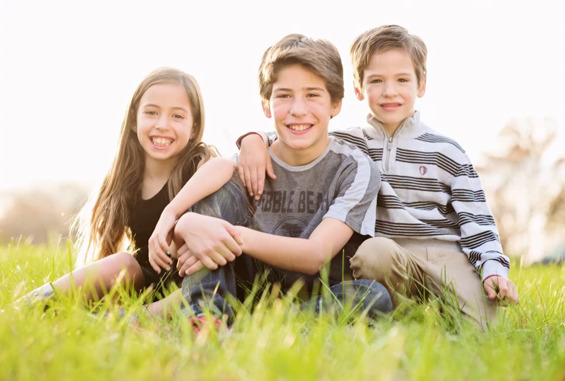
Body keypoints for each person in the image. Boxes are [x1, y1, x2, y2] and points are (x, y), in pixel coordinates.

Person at [236, 25, 519, 330]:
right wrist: (254, 139)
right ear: (358, 88)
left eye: (402, 80)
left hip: (445, 254)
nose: (389, 91)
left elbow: (477, 219)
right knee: (372, 253)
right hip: (388, 255)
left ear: (421, 84)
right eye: (376, 81)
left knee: (483, 332)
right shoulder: (350, 144)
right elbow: (300, 133)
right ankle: (400, 319)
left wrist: (493, 269)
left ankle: (449, 311)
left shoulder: (447, 151)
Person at [149, 33, 392, 326]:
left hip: (314, 292)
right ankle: (205, 316)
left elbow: (315, 255)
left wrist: (219, 234)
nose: (297, 109)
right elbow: (223, 167)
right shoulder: (255, 156)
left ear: (336, 104)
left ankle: (255, 326)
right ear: (266, 104)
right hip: (247, 284)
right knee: (217, 192)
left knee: (374, 296)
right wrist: (174, 215)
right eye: (284, 95)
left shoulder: (355, 168)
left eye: (312, 95)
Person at [15, 67, 230, 316]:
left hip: (197, 285)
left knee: (185, 287)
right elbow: (106, 256)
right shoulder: (126, 178)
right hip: (145, 285)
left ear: (194, 127)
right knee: (124, 263)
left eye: (177, 116)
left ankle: (133, 317)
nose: (162, 125)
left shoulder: (199, 165)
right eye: (151, 112)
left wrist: (170, 213)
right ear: (133, 121)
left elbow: (223, 166)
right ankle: (20, 310)